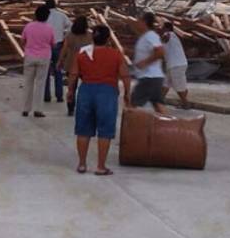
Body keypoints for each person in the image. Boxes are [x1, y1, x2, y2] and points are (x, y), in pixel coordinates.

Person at [68, 25, 131, 175]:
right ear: (108, 39)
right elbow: (125, 75)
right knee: (105, 130)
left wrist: (70, 91)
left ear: (92, 38)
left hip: (86, 91)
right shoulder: (116, 54)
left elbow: (73, 74)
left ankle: (82, 164)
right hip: (107, 93)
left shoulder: (82, 55)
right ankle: (101, 166)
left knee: (83, 130)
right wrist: (128, 93)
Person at [20, 5, 55, 117]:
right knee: (40, 84)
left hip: (30, 56)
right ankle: (38, 109)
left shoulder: (29, 26)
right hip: (44, 57)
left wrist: (27, 48)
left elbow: (22, 40)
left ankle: (26, 109)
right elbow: (53, 43)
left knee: (28, 82)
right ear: (47, 16)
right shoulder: (49, 28)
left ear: (35, 15)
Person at [130, 12, 167, 113]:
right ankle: (169, 122)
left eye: (139, 21)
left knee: (131, 104)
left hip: (149, 77)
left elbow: (160, 52)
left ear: (144, 22)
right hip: (152, 77)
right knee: (157, 104)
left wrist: (145, 62)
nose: (137, 23)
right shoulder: (145, 36)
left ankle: (130, 122)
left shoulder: (150, 36)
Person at [59, 16, 92, 115]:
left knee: (71, 87)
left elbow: (64, 49)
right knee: (87, 87)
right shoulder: (90, 36)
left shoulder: (70, 35)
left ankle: (70, 107)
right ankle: (85, 106)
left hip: (71, 63)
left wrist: (60, 61)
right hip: (86, 65)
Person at [43, 0, 71, 104]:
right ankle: (59, 96)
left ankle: (46, 96)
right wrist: (64, 35)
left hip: (46, 45)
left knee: (45, 71)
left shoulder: (44, 16)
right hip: (58, 44)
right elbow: (70, 26)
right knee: (58, 70)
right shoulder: (61, 15)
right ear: (55, 5)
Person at [161, 20, 190, 108]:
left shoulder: (169, 34)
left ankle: (185, 103)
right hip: (173, 64)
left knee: (179, 86)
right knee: (166, 83)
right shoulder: (173, 36)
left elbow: (166, 36)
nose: (161, 28)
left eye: (162, 27)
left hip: (176, 64)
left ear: (166, 28)